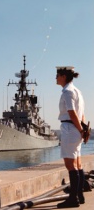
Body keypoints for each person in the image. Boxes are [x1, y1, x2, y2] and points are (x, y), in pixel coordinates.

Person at [56, 66, 86, 208]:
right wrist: (83, 130)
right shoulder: (77, 91)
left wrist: (80, 130)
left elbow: (72, 112)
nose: (55, 78)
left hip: (70, 128)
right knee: (78, 164)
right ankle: (80, 195)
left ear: (63, 76)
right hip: (76, 129)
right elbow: (81, 115)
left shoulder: (67, 91)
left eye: (57, 75)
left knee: (70, 165)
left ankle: (73, 199)